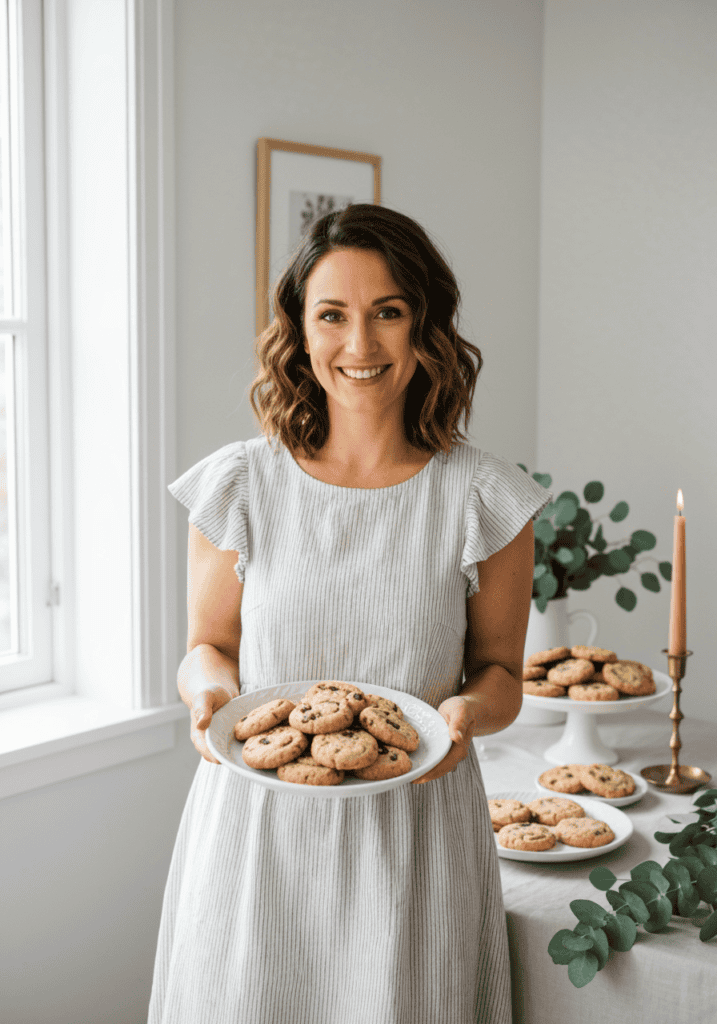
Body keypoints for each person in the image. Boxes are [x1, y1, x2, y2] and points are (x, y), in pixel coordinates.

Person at [147, 203, 551, 1024]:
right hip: (257, 834)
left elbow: (502, 673)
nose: (359, 346)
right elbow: (206, 645)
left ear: (425, 327)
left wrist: (465, 715)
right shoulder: (239, 485)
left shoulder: (487, 498)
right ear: (298, 332)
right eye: (331, 315)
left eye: (388, 313)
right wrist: (207, 697)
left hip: (416, 839)